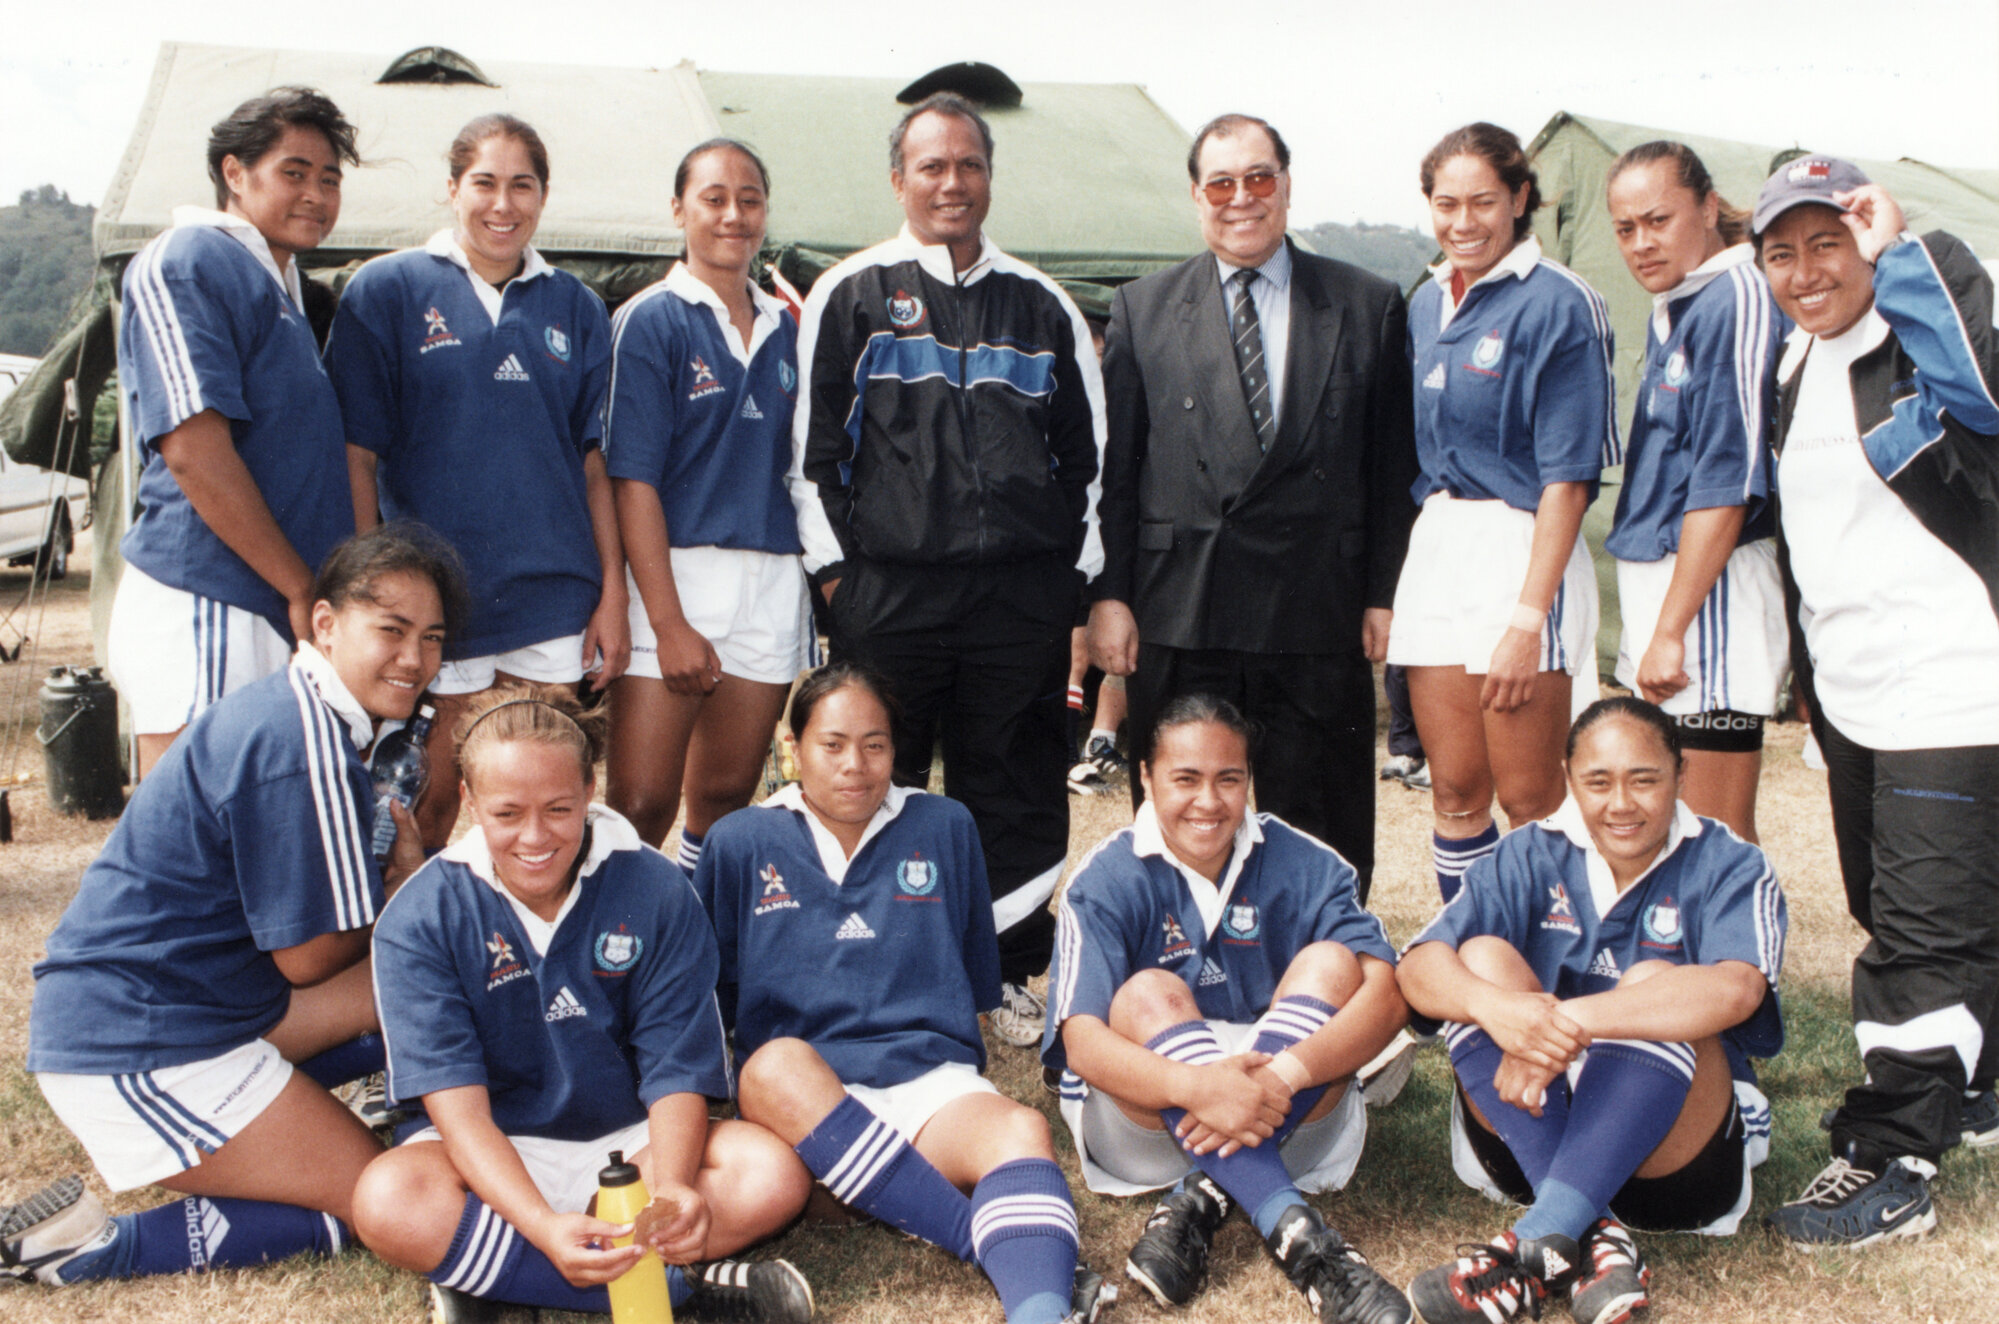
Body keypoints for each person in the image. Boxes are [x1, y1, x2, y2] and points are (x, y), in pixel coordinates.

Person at [6, 524, 465, 1285]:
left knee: (426, 970)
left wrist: (410, 901)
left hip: (211, 1006)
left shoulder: (315, 715)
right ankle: (93, 1249)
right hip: (140, 1046)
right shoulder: (301, 737)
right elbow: (311, 957)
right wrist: (411, 894)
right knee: (383, 1202)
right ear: (324, 623)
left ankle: (380, 1093)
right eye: (390, 629)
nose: (413, 658)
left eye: (432, 637)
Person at [789, 92, 1106, 1049]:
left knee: (1011, 782)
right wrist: (841, 579)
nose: (951, 182)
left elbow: (1087, 461)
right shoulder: (852, 291)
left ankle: (1007, 969)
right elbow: (813, 458)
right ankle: (877, 973)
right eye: (931, 165)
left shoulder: (1041, 303)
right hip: (890, 594)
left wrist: (1072, 586)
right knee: (874, 780)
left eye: (967, 164)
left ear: (988, 178)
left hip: (1017, 596)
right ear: (899, 179)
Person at [353, 686, 813, 1323]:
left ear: (590, 792)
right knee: (387, 1199)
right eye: (507, 813)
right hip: (489, 1154)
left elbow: (676, 1069)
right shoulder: (420, 917)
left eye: (560, 809)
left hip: (629, 1150)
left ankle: (493, 1276)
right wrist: (540, 1223)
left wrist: (674, 1187)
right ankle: (680, 1295)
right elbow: (459, 1116)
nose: (535, 837)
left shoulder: (653, 885)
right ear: (468, 802)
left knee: (770, 1174)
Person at [697, 663, 1113, 1324]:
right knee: (774, 1064)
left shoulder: (944, 826)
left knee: (1020, 1128)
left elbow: (974, 979)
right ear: (793, 748)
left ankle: (1036, 1312)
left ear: (897, 748)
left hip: (928, 1091)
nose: (854, 765)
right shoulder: (739, 842)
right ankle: (988, 1241)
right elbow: (714, 998)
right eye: (831, 744)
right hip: (804, 1116)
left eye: (875, 744)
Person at [1750, 160, 1999, 1246]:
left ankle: (1889, 1154)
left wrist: (1904, 251)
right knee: (1894, 906)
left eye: (1828, 242)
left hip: (1950, 678)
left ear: (1867, 239)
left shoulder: (1920, 325)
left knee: (1921, 929)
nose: (1807, 272)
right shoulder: (1791, 365)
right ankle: (1973, 1082)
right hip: (1851, 693)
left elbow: (1986, 400)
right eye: (1780, 251)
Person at [1087, 113, 1418, 901]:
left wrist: (1381, 592)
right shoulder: (1142, 308)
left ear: (1287, 185)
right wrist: (1110, 597)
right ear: (1196, 197)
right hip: (1180, 604)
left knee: (1322, 818)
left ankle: (1323, 969)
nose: (1243, 199)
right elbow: (1116, 472)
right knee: (1187, 815)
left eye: (1259, 179)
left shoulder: (1366, 304)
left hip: (1315, 607)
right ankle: (1173, 951)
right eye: (1222, 184)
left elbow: (1389, 467)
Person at [1398, 697, 1786, 1324]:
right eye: (1598, 782)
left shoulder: (1730, 861)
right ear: (1569, 778)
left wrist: (1563, 1023)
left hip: (1671, 1162)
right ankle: (1588, 1238)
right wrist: (1497, 1009)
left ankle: (1539, 1241)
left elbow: (1737, 991)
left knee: (1656, 982)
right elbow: (1417, 968)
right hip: (1527, 1137)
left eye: (1644, 779)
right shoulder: (1529, 851)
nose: (1621, 804)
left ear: (1681, 775)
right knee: (1480, 959)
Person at [1044, 694, 1412, 1324]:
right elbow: (1081, 1042)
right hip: (1151, 1131)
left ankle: (1204, 1195)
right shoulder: (1103, 878)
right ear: (1145, 777)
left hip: (1290, 1113)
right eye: (1185, 779)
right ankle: (1295, 1231)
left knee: (1335, 963)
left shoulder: (1309, 862)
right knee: (1143, 992)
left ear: (1250, 779)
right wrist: (1200, 1088)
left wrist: (1278, 1078)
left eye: (1229, 779)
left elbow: (1389, 994)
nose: (1209, 802)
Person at [326, 112, 625, 851]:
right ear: (451, 189)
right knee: (419, 805)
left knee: (545, 802)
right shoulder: (387, 290)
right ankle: (407, 953)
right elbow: (355, 453)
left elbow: (595, 464)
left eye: (522, 185)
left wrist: (613, 595)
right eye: (484, 183)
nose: (503, 204)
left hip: (552, 598)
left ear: (543, 197)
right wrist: (375, 592)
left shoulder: (577, 307)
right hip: (437, 603)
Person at [1387, 122, 1618, 904]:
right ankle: (1470, 970)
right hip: (1439, 542)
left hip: (1520, 551)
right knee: (1454, 789)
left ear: (1519, 199)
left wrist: (1527, 619)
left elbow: (1568, 481)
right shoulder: (1425, 304)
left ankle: (1549, 971)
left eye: (1482, 201)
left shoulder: (1559, 302)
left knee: (1529, 801)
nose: (1462, 222)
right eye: (1445, 203)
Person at [106, 86, 361, 779]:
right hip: (211, 597)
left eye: (330, 178)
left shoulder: (287, 286)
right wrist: (299, 586)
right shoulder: (187, 259)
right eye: (294, 172)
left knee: (249, 836)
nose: (315, 194)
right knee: (191, 841)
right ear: (233, 172)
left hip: (273, 600)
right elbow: (193, 450)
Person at [601, 138, 811, 865]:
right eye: (714, 198)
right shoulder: (650, 318)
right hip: (675, 574)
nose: (733, 215)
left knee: (724, 794)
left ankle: (698, 953)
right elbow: (633, 479)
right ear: (678, 209)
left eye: (749, 200)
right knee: (640, 801)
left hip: (772, 575)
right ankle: (614, 954)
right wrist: (667, 619)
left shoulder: (794, 325)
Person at [1603, 141, 1789, 842]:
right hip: (1668, 584)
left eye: (1657, 219)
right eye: (1624, 229)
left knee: (1714, 830)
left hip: (1709, 595)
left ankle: (1737, 955)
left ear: (1708, 207)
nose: (1640, 243)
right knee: (1675, 824)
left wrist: (1671, 630)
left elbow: (1727, 477)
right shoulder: (1680, 300)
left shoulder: (1735, 296)